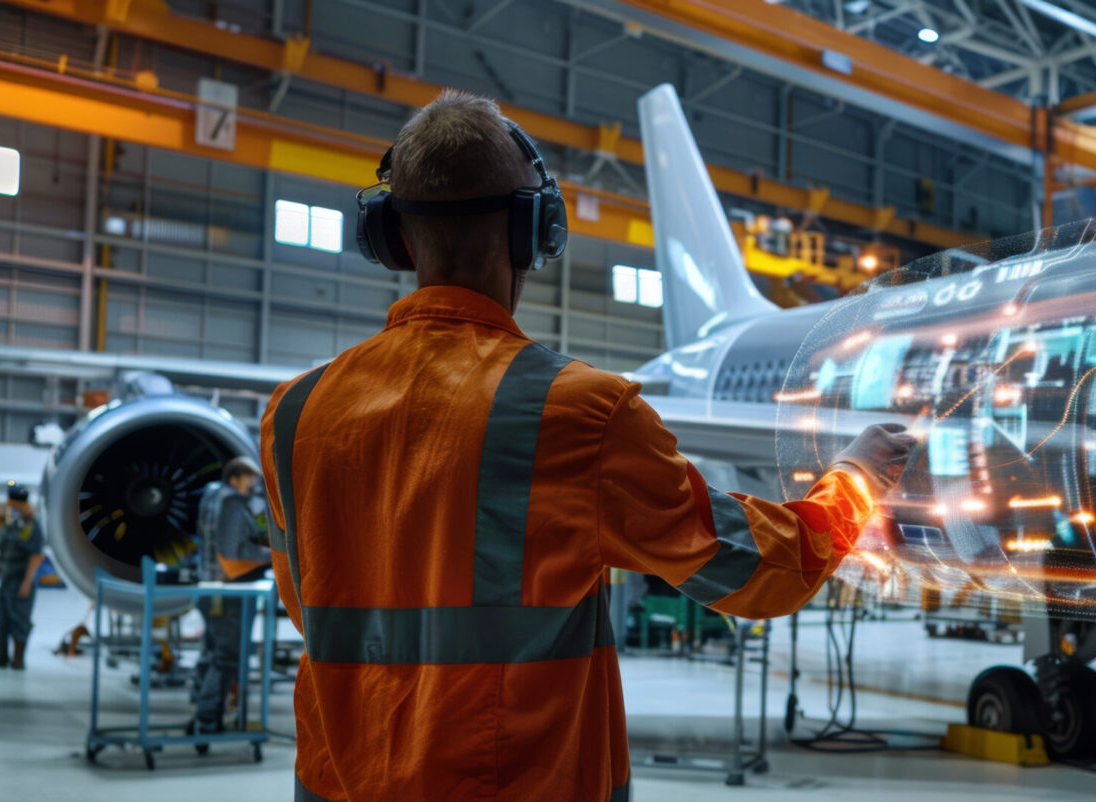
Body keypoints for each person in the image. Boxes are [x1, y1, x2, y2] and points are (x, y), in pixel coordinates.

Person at [261, 90, 916, 801]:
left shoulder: (295, 412)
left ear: (395, 236)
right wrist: (854, 477)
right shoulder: (577, 414)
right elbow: (763, 570)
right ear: (532, 232)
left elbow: (312, 604)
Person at [190, 456, 270, 733]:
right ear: (235, 478)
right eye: (251, 479)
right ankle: (206, 719)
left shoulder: (211, 496)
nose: (256, 485)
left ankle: (198, 711)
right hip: (231, 591)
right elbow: (239, 550)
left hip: (207, 587)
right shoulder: (234, 504)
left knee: (212, 651)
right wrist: (275, 555)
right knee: (227, 657)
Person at [0, 484, 45, 670]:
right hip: (5, 580)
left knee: (20, 620)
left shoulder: (32, 526)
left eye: (12, 503)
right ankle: (2, 658)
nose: (10, 506)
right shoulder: (12, 524)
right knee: (1, 619)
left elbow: (37, 556)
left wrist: (27, 583)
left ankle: (18, 660)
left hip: (21, 580)